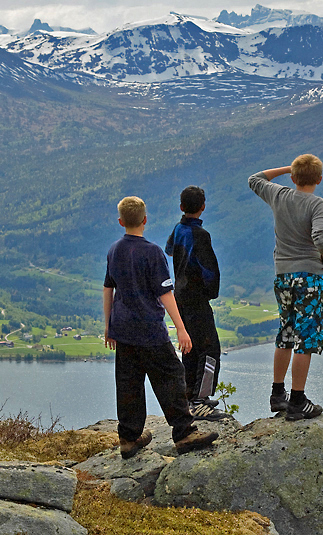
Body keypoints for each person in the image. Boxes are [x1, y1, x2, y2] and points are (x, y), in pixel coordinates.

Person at [104, 196, 219, 459]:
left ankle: (129, 438)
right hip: (149, 330)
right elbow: (165, 293)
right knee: (171, 376)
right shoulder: (152, 252)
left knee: (129, 383)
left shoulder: (114, 250)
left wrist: (108, 326)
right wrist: (181, 328)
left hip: (123, 329)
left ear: (121, 221)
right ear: (145, 220)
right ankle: (184, 433)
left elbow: (108, 288)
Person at [248, 155, 323, 421]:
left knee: (286, 330)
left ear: (293, 178)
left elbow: (255, 179)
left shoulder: (279, 195)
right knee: (305, 339)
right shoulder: (317, 203)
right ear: (319, 179)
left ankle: (277, 394)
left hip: (283, 276)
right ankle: (297, 401)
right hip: (309, 278)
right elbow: (321, 237)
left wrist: (289, 169)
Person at [165, 185, 229, 421]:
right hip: (196, 298)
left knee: (190, 348)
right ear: (203, 207)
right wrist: (211, 292)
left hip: (180, 297)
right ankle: (201, 401)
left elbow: (169, 250)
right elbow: (209, 270)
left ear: (181, 206)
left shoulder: (178, 229)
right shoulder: (200, 235)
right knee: (210, 349)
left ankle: (189, 396)